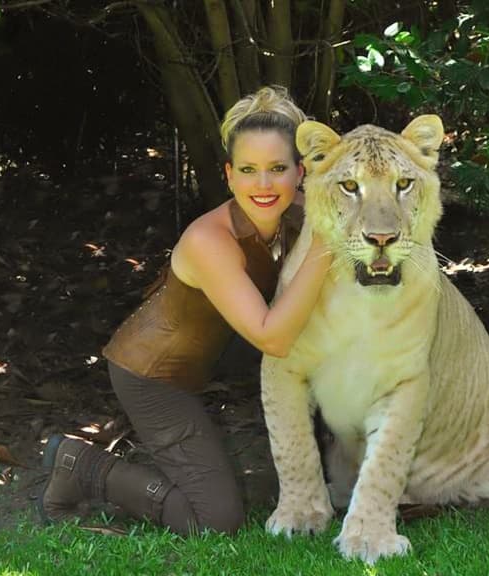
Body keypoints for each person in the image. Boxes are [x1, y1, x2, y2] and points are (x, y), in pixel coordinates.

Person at [38, 86, 332, 536]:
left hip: (218, 350)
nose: (265, 185)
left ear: (301, 172)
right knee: (215, 521)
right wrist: (325, 248)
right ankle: (81, 465)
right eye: (249, 171)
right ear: (230, 176)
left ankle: (335, 468)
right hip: (154, 376)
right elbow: (273, 337)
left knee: (327, 343)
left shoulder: (305, 212)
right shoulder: (208, 240)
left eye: (278, 169)